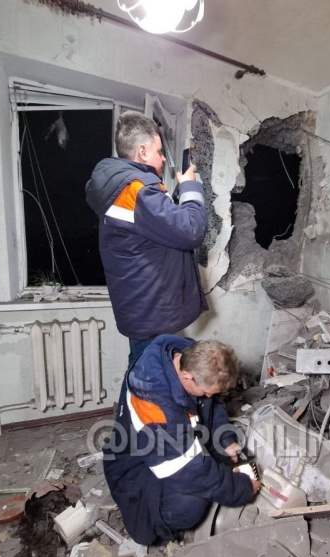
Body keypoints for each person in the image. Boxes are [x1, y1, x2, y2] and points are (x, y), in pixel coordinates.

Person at [85, 112, 209, 401]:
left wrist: (176, 196)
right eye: (159, 151)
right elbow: (191, 231)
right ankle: (134, 425)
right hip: (151, 307)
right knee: (148, 381)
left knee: (143, 370)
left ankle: (130, 422)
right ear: (142, 151)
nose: (163, 158)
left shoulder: (122, 187)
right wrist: (190, 186)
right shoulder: (136, 189)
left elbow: (157, 228)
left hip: (143, 304)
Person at [102, 335, 260, 545]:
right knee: (189, 505)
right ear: (187, 377)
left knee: (231, 458)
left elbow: (211, 404)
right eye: (206, 392)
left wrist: (225, 440)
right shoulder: (155, 407)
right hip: (136, 464)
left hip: (176, 440)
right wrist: (242, 489)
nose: (208, 396)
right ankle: (157, 529)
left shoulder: (189, 355)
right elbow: (188, 472)